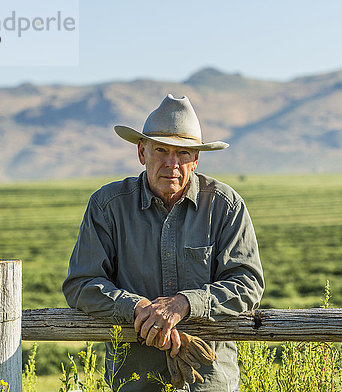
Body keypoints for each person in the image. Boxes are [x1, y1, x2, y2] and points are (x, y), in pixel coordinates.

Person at [62, 94, 265, 392]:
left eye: (183, 153)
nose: (172, 163)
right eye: (161, 150)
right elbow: (81, 284)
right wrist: (137, 309)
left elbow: (248, 284)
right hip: (135, 381)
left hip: (208, 380)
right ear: (141, 152)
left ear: (196, 159)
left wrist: (185, 303)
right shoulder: (108, 206)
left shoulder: (225, 206)